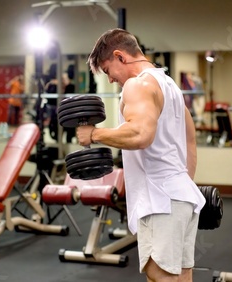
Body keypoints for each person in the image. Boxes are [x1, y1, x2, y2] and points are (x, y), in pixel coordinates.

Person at [77, 28, 206, 281]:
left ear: (120, 56)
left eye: (107, 70)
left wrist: (94, 134)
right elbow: (190, 141)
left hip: (160, 200)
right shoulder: (170, 86)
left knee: (160, 275)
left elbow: (140, 134)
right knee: (180, 276)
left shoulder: (138, 84)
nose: (111, 79)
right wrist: (181, 184)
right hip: (179, 197)